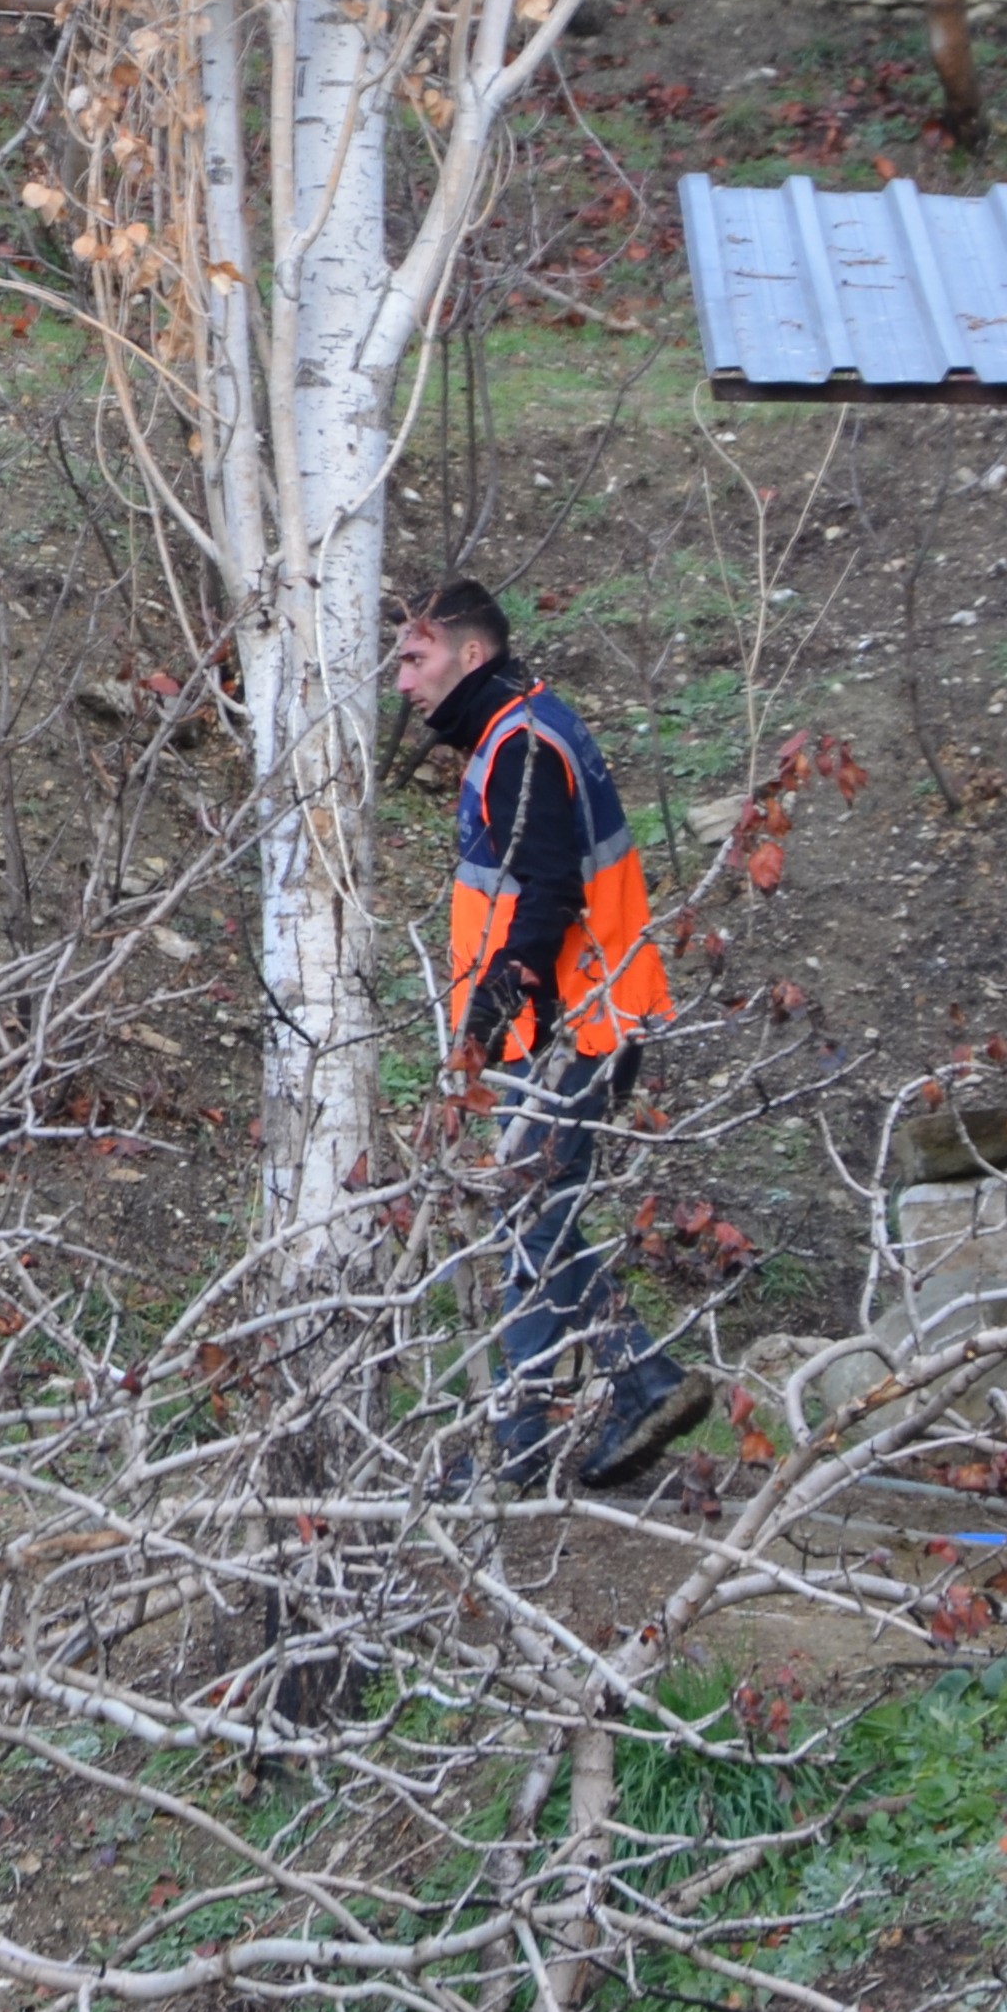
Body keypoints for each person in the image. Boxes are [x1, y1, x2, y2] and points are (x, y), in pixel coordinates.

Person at [392, 578, 707, 1494]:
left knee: (528, 1222)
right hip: (581, 1017)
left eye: (415, 658)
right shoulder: (522, 725)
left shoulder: (521, 745)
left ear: (470, 655)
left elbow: (547, 899)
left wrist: (485, 1027)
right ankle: (636, 1383)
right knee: (538, 1219)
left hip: (569, 1026)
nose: (402, 681)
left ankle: (521, 1445)